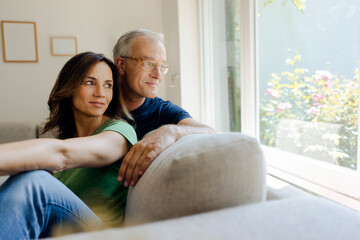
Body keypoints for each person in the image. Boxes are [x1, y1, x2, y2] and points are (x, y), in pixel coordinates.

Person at [0, 52, 137, 239]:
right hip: (61, 233)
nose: (101, 93)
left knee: (34, 181)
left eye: (108, 85)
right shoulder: (69, 140)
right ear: (70, 87)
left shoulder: (120, 132)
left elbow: (62, 155)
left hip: (101, 234)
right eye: (90, 82)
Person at [113, 29, 217, 187]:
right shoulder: (99, 102)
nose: (157, 74)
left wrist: (171, 131)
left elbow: (210, 132)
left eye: (162, 67)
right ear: (121, 65)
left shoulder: (163, 111)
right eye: (148, 64)